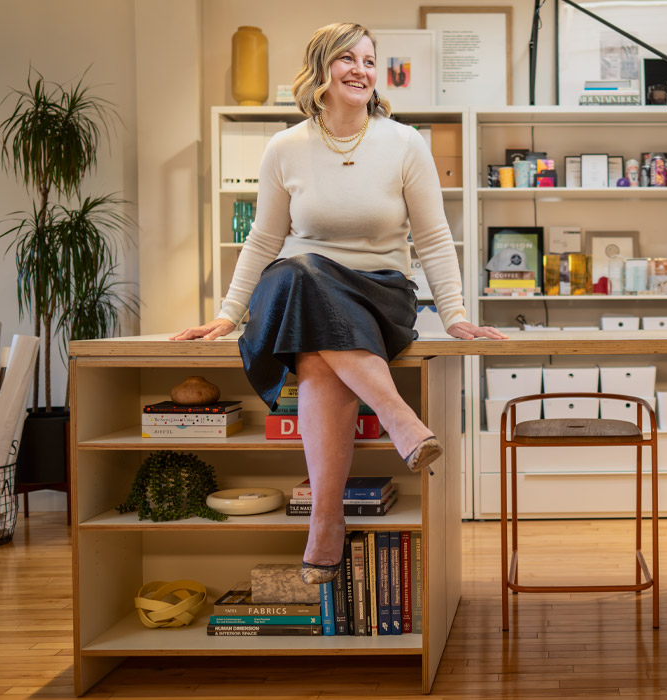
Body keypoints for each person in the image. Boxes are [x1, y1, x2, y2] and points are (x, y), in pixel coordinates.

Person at [172, 23, 505, 585]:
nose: (361, 69)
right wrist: (229, 313)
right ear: (320, 70)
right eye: (347, 59)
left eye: (370, 61)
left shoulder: (404, 143)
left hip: (381, 296)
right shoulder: (286, 147)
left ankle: (326, 522)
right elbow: (263, 239)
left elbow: (433, 238)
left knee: (314, 349)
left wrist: (455, 315)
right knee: (300, 274)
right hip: (304, 287)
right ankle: (398, 422)